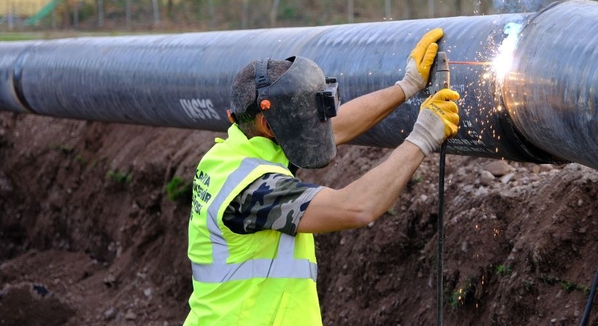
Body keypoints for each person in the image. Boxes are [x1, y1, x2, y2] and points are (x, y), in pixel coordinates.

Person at [184, 28, 460, 325]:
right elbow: (356, 207)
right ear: (268, 124)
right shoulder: (254, 189)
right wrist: (422, 138)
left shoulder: (236, 154)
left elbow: (331, 130)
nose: (317, 125)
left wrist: (406, 87)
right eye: (302, 118)